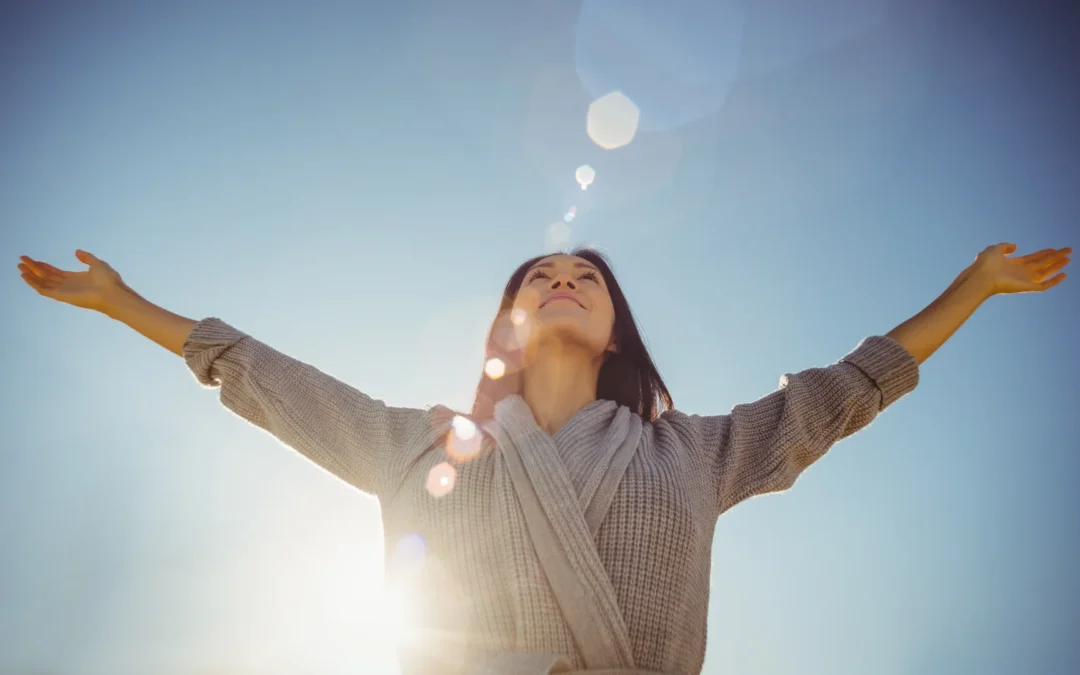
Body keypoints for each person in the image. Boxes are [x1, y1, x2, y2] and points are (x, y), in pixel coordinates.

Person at [17, 243, 1071, 674]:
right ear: (507, 325)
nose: (562, 279)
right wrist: (120, 303)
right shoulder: (417, 445)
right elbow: (266, 378)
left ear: (614, 329)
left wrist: (973, 287)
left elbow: (842, 393)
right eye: (539, 278)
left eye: (585, 277)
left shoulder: (697, 452)